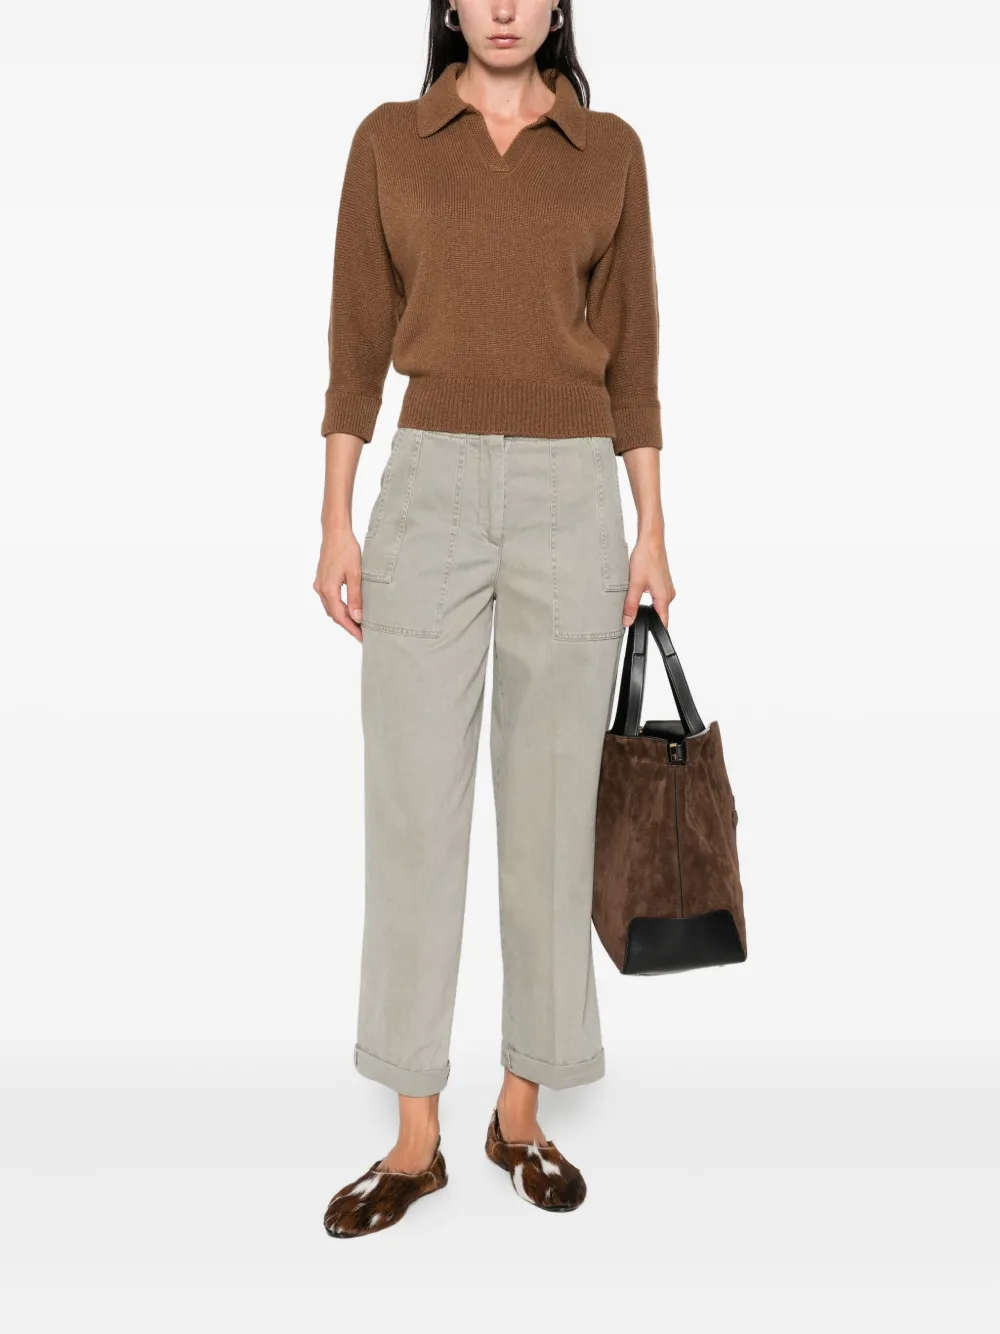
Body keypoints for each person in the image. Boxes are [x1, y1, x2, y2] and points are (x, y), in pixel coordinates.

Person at [314, 0, 675, 1237]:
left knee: (554, 816)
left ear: (559, 3)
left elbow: (634, 360)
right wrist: (336, 518)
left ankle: (520, 1110)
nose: (505, 6)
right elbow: (354, 344)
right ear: (450, 6)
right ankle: (414, 1137)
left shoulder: (608, 151)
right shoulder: (390, 140)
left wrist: (651, 527)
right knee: (413, 810)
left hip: (574, 497)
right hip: (426, 493)